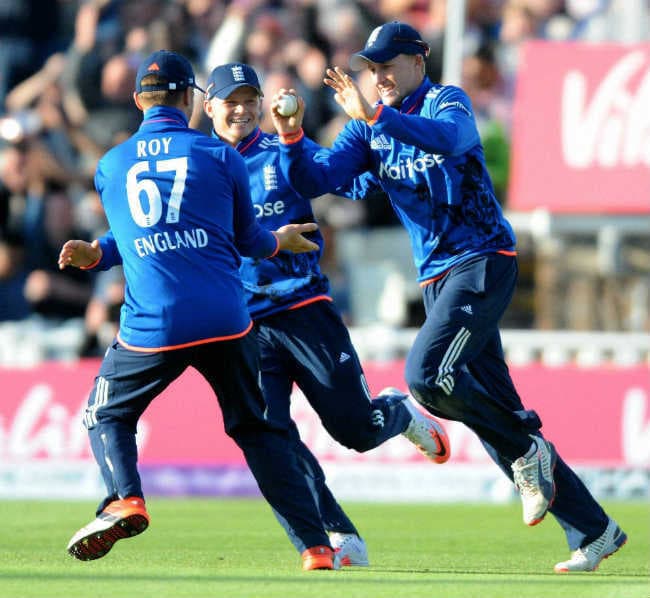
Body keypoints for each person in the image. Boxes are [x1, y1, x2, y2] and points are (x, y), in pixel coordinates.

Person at [270, 21, 628, 573]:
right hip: (436, 278)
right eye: (372, 68)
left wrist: (375, 115)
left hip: (482, 260)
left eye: (388, 64)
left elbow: (450, 139)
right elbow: (318, 180)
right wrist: (292, 136)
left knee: (427, 377)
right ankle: (594, 529)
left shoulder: (445, 101)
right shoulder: (368, 129)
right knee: (494, 408)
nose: (379, 76)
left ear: (419, 60)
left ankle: (528, 452)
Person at [58, 50, 343, 571]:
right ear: (191, 99)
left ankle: (125, 497)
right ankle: (316, 547)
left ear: (138, 100)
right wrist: (278, 242)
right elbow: (249, 240)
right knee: (259, 430)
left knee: (106, 413)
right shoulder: (219, 156)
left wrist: (96, 255)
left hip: (154, 325)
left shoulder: (111, 165)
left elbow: (138, 231)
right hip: (226, 319)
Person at [201, 62, 451, 567]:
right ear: (208, 108)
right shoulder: (197, 167)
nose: (242, 110)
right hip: (243, 326)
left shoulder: (282, 150)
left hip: (304, 311)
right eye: (231, 101)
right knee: (271, 439)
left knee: (354, 431)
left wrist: (389, 165)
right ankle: (334, 536)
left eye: (249, 99)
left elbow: (345, 177)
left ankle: (397, 413)